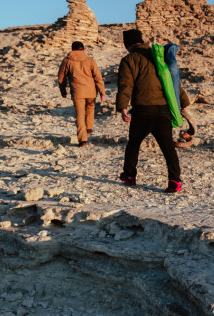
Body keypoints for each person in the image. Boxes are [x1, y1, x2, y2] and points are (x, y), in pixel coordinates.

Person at [116, 29, 182, 193]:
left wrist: (123, 107)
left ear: (128, 44)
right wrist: (184, 103)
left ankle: (129, 175)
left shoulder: (129, 60)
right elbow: (173, 82)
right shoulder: (158, 56)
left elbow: (126, 85)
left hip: (142, 111)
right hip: (163, 110)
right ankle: (175, 181)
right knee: (168, 148)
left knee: (133, 144)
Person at [57, 41, 106, 147]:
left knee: (80, 115)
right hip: (91, 91)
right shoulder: (90, 60)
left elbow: (61, 78)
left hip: (77, 92)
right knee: (90, 108)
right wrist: (102, 92)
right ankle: (88, 127)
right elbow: (98, 77)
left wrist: (63, 91)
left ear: (72, 50)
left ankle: (82, 140)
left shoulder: (67, 61)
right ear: (83, 50)